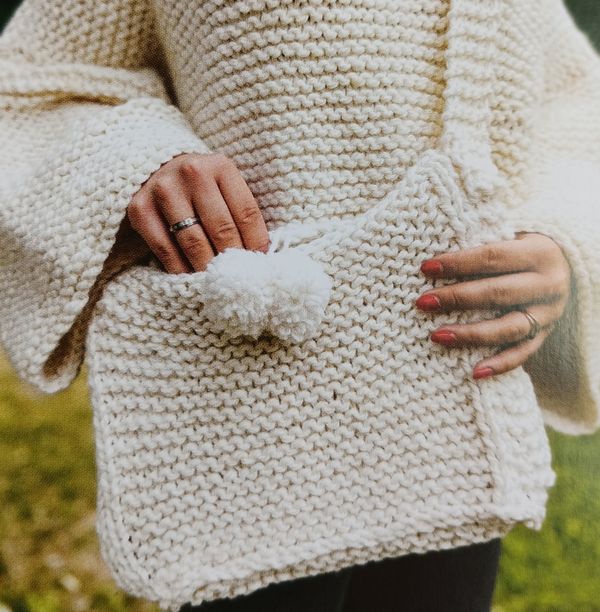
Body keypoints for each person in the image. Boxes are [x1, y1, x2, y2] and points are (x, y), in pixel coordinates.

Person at [0, 1, 598, 611]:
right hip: (252, 411)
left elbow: (574, 105)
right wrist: (136, 159)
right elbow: (27, 84)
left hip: (454, 409)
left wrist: (563, 241)